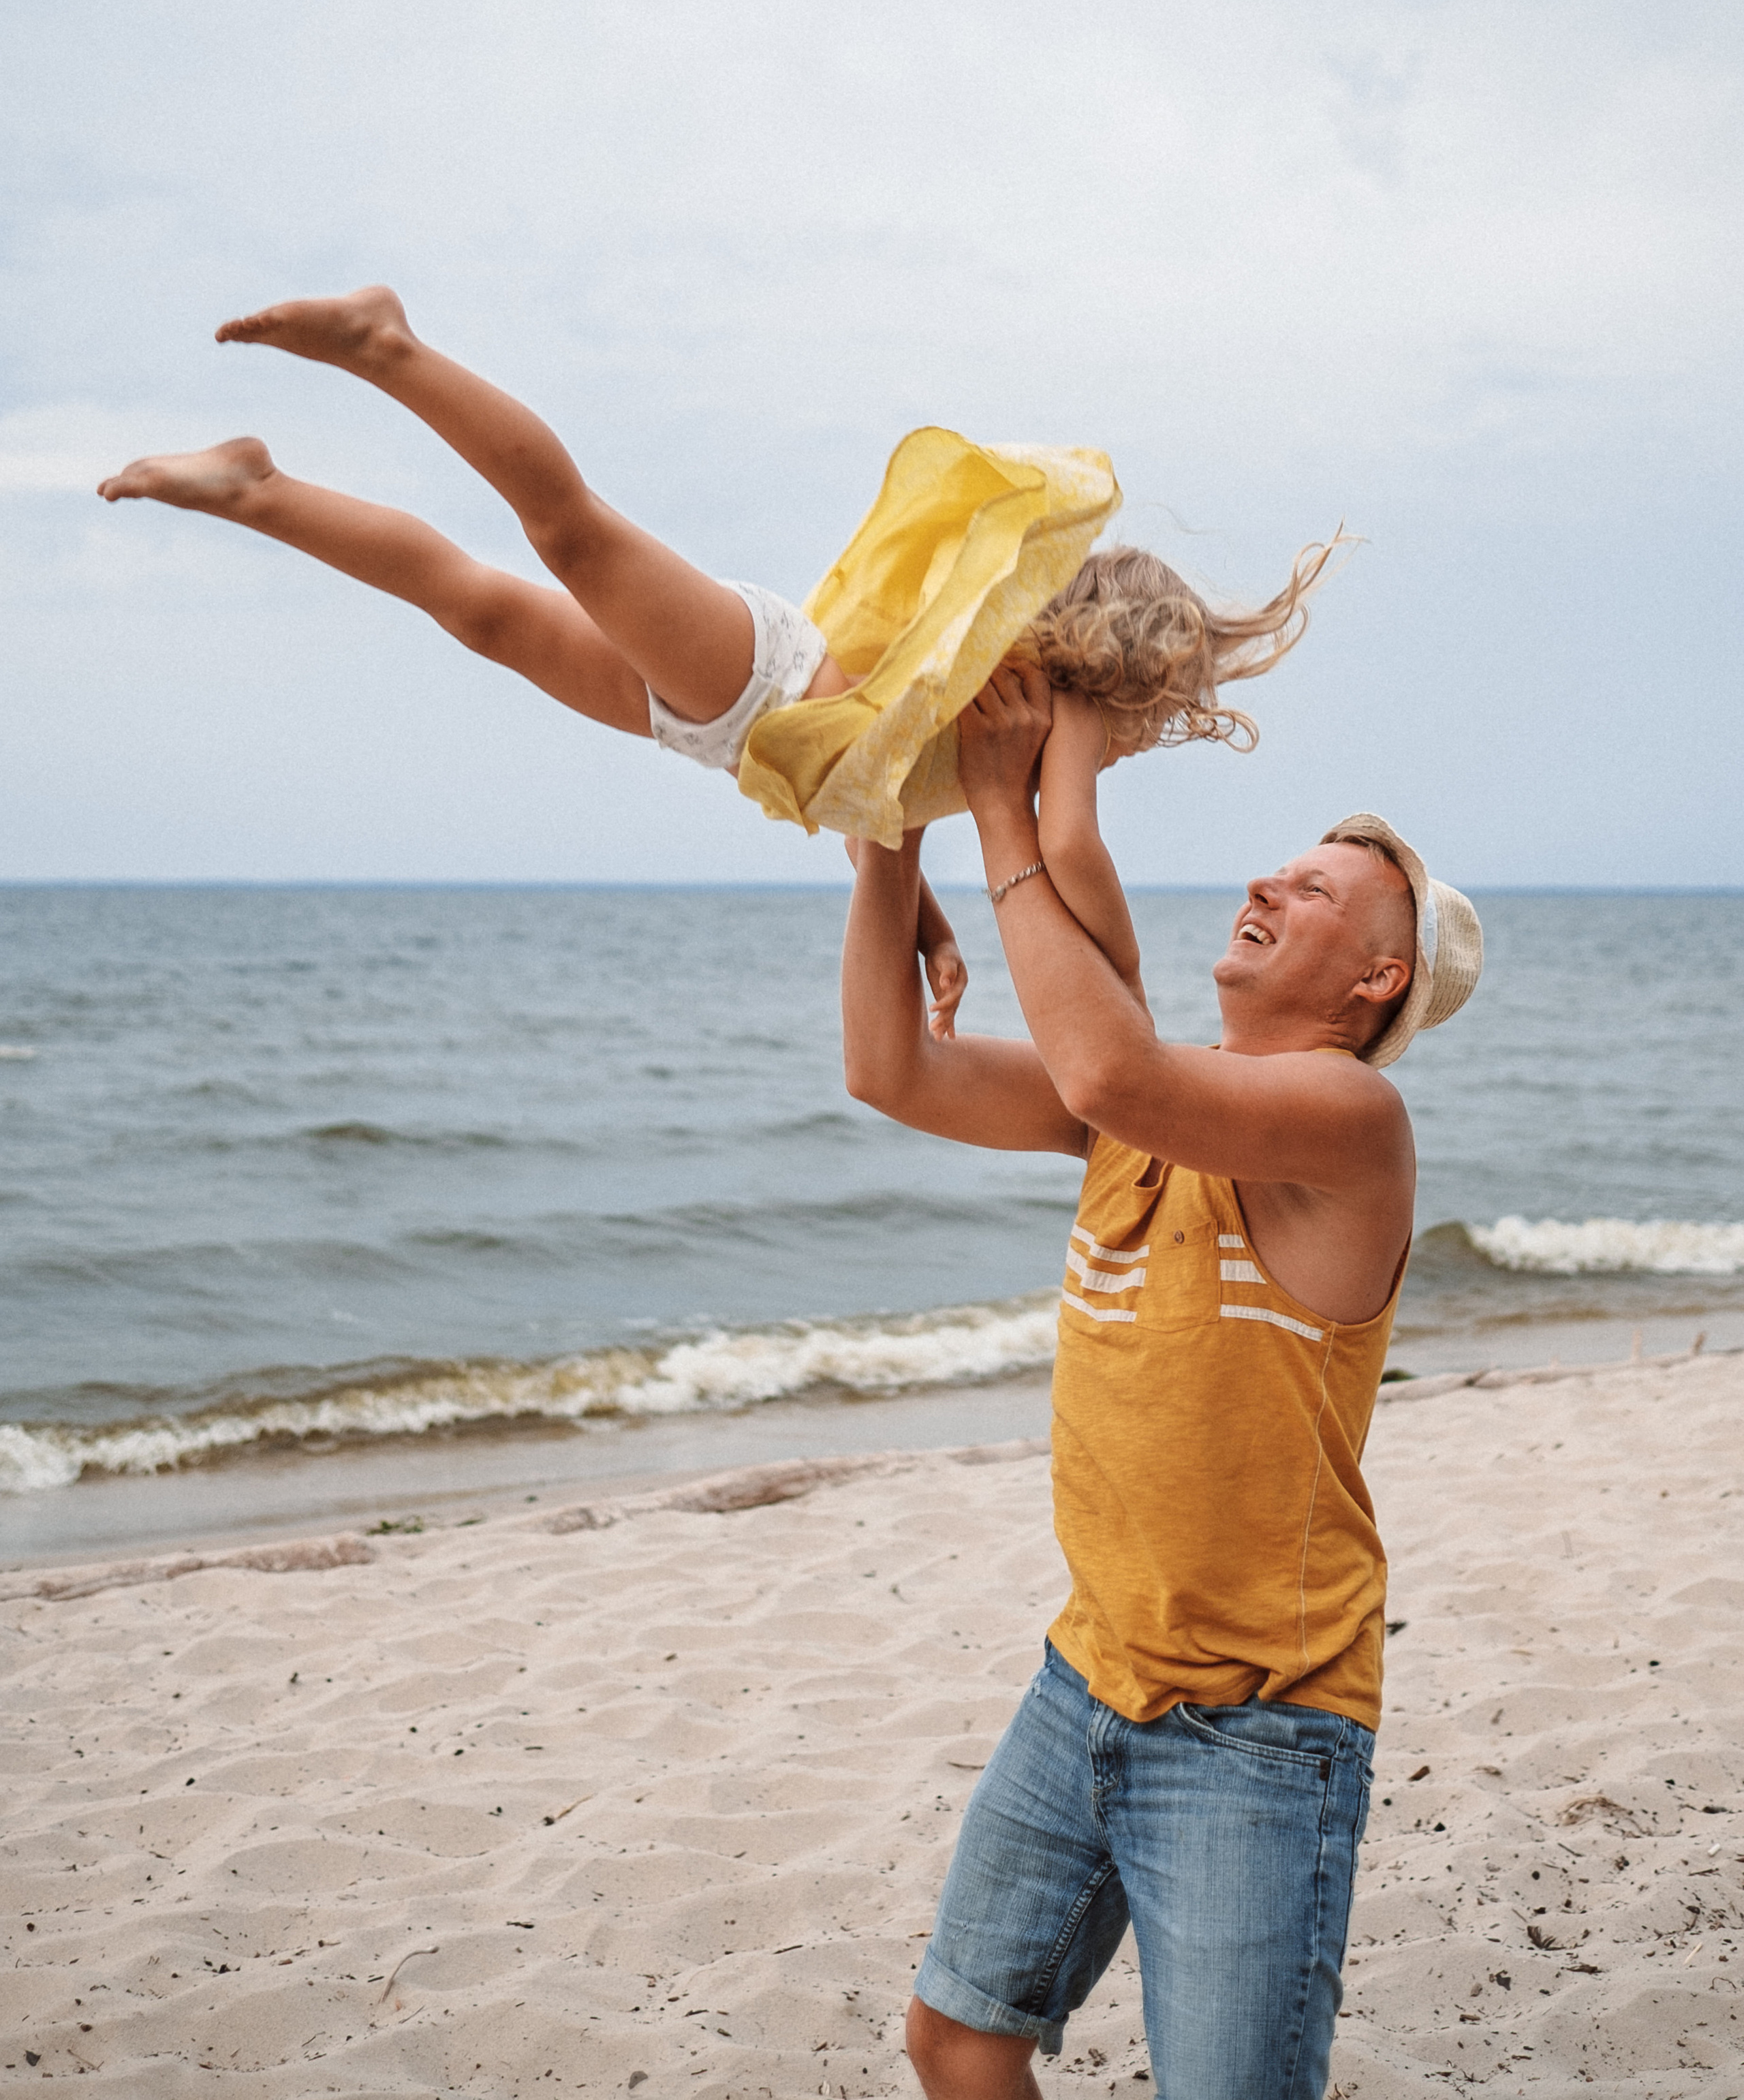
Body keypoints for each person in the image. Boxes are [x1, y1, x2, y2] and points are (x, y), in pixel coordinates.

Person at [99, 287, 1340, 1035]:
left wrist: (928, 928)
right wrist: (1123, 982)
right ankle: (389, 345)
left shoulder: (994, 713)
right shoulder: (1058, 719)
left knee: (478, 611)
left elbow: (883, 807)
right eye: (1169, 702)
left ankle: (259, 488)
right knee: (568, 533)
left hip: (726, 732)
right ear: (1133, 674)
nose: (1153, 730)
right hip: (756, 686)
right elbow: (1066, 850)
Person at [841, 660, 1482, 2100]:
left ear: (1375, 979)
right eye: (1283, 865)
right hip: (1087, 1677)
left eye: (1315, 891)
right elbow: (889, 1067)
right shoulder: (1133, 1099)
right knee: (955, 2041)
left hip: (1258, 1734)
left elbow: (1112, 1069)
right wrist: (889, 821)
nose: (1268, 882)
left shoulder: (1349, 1122)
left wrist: (1000, 810)